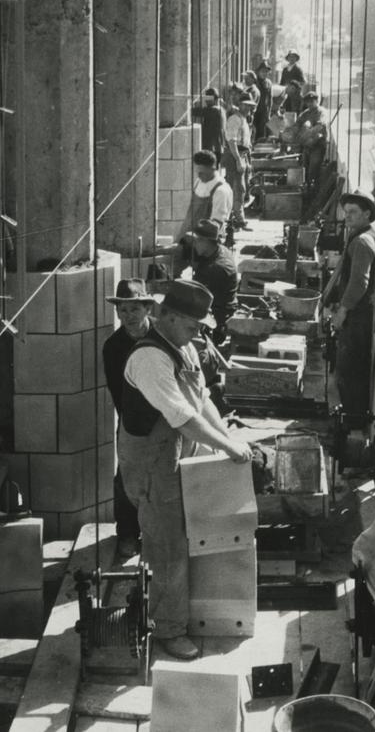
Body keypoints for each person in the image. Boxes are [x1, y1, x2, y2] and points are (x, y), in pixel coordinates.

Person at [118, 280, 252, 660]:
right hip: (151, 463)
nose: (198, 332)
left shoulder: (184, 347)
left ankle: (160, 601)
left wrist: (228, 438)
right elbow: (182, 417)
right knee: (167, 545)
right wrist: (227, 447)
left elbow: (201, 399)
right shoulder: (149, 358)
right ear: (169, 317)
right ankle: (167, 630)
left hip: (177, 454)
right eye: (193, 324)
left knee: (178, 538)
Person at [102, 279, 156, 559]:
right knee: (126, 476)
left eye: (134, 309)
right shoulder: (113, 347)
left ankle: (157, 533)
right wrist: (132, 428)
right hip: (131, 421)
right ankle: (126, 533)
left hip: (166, 418)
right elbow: (117, 392)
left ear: (147, 308)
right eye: (122, 311)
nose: (128, 317)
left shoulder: (162, 335)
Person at [325, 189, 375, 421]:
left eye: (353, 212)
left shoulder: (361, 241)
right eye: (346, 211)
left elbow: (359, 282)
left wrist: (342, 312)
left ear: (366, 214)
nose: (347, 216)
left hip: (357, 317)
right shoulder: (362, 236)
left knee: (350, 368)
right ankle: (351, 415)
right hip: (359, 315)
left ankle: (351, 419)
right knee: (350, 366)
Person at [172, 150, 233, 276]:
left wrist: (196, 238)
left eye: (202, 173)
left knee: (202, 273)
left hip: (205, 242)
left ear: (213, 168)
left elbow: (216, 225)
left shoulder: (221, 190)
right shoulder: (198, 182)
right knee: (173, 265)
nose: (199, 176)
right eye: (197, 172)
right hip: (190, 237)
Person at [189, 219, 238, 345]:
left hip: (217, 322)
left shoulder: (215, 269)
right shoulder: (220, 250)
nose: (194, 244)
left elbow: (196, 300)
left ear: (207, 242)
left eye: (197, 240)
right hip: (223, 306)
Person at [224, 96, 256, 230]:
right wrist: (238, 160)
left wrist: (246, 161)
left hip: (243, 155)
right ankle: (235, 220)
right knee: (236, 188)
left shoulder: (243, 120)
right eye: (245, 105)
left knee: (242, 189)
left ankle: (238, 218)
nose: (248, 108)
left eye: (250, 105)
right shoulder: (234, 119)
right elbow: (232, 142)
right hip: (234, 156)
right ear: (239, 105)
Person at [295, 91, 328, 187]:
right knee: (304, 169)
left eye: (312, 101)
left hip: (318, 145)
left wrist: (308, 133)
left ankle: (313, 191)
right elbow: (297, 124)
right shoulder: (305, 113)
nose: (309, 104)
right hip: (307, 146)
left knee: (313, 170)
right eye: (308, 102)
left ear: (317, 101)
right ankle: (306, 188)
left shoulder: (322, 112)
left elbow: (320, 126)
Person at [198, 87, 226, 166]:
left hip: (213, 149)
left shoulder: (215, 110)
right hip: (217, 148)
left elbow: (196, 111)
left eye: (209, 98)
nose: (206, 101)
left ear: (215, 99)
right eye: (206, 98)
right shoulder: (221, 109)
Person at [253, 59, 273, 141]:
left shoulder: (268, 83)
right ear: (258, 72)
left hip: (264, 110)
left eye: (266, 72)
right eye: (262, 71)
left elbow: (270, 98)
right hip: (254, 110)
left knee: (262, 132)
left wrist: (269, 112)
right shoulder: (254, 82)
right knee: (253, 130)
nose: (264, 73)